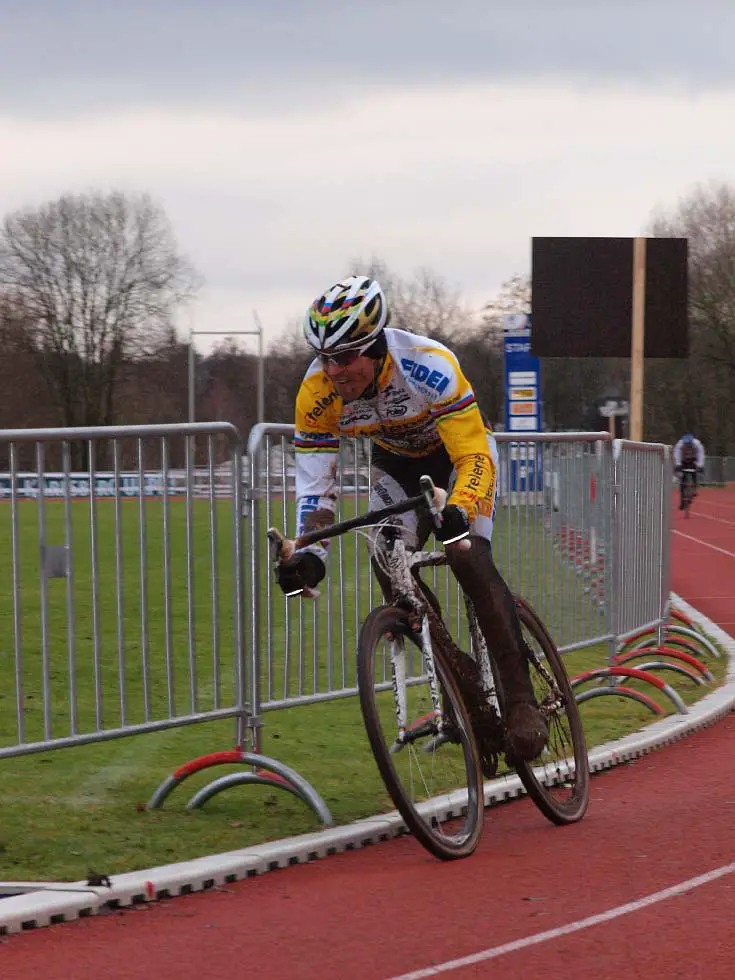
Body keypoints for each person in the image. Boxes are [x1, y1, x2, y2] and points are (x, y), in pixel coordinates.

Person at [274, 274, 548, 762]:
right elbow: (317, 488)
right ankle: (464, 685)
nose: (334, 370)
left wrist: (459, 509)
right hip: (399, 465)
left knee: (466, 553)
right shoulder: (316, 395)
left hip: (462, 458)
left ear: (376, 346)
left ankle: (521, 700)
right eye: (324, 358)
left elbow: (471, 455)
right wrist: (311, 553)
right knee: (385, 556)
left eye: (345, 357)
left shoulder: (428, 365)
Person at [673, 433, 705, 510]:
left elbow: (701, 454)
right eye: (686, 443)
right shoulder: (680, 444)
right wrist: (678, 464)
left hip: (693, 460)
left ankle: (694, 488)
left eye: (689, 443)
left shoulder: (697, 444)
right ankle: (682, 502)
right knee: (682, 480)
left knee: (694, 474)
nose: (687, 444)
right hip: (683, 461)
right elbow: (677, 454)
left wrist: (700, 465)